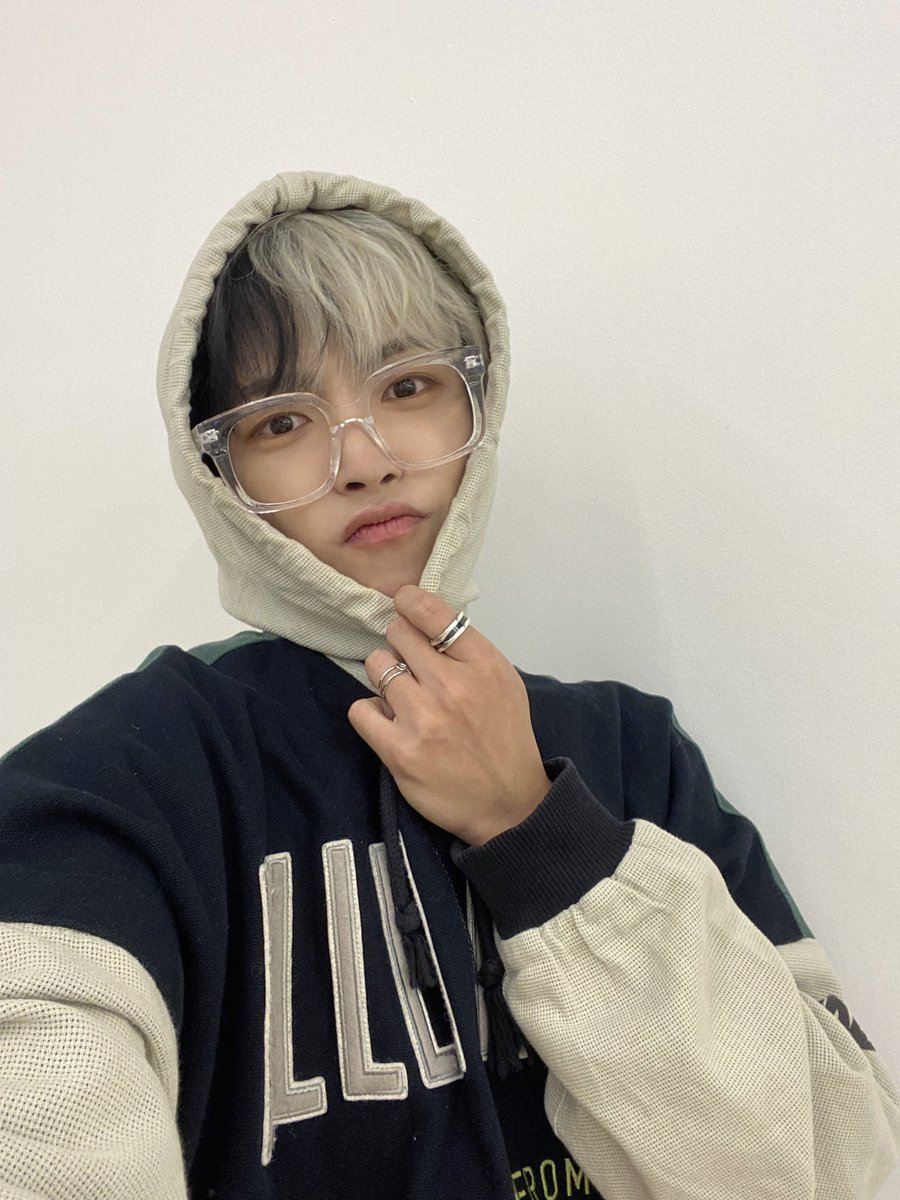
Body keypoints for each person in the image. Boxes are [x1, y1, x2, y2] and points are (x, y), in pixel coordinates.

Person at [0, 171, 897, 1200]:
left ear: (480, 398)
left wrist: (539, 832)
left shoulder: (631, 755)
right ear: (220, 474)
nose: (365, 461)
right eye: (283, 423)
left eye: (407, 387)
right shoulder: (126, 783)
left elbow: (832, 1168)